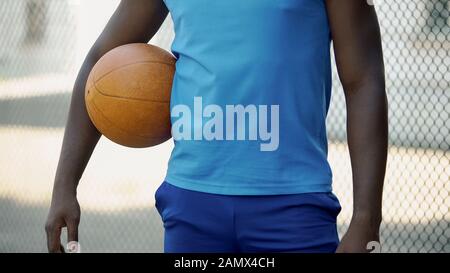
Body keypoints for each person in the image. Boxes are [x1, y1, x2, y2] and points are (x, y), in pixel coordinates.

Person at [45, 0, 388, 253]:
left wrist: (366, 220)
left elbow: (364, 81)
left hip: (293, 207)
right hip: (192, 204)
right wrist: (64, 186)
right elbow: (99, 61)